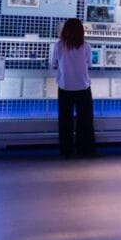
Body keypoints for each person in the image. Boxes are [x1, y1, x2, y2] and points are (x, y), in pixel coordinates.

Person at [50, 18, 95, 158]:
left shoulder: (58, 46)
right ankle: (85, 150)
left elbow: (53, 64)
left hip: (65, 87)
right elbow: (89, 64)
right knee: (85, 120)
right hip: (83, 86)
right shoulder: (86, 46)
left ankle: (66, 151)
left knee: (65, 121)